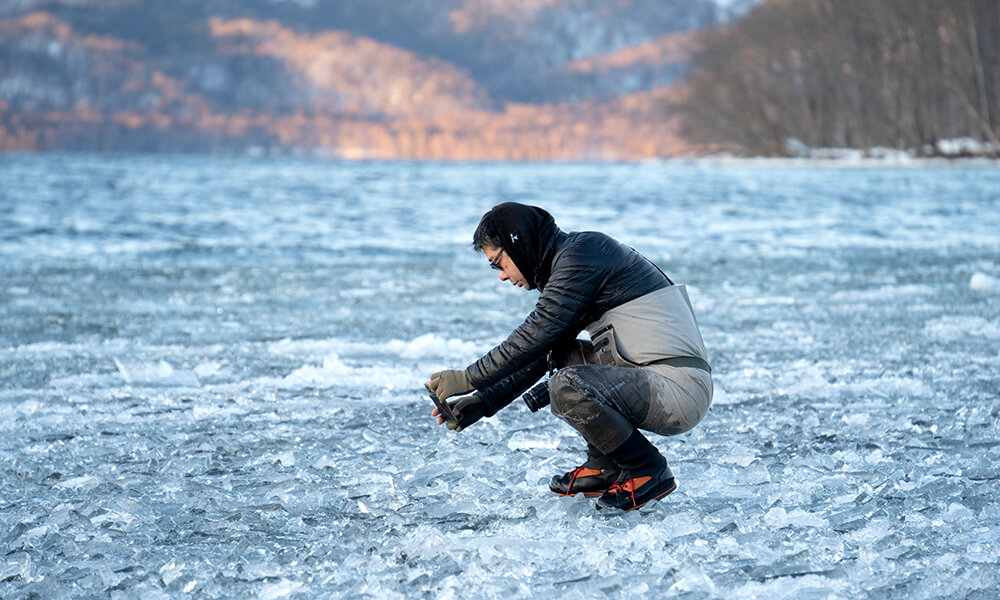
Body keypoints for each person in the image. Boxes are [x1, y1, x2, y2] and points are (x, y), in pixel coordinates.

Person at [427, 202, 712, 512]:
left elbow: (538, 331)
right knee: (563, 355)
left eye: (499, 263)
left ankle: (648, 469)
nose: (501, 277)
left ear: (517, 243)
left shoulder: (582, 255)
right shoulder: (572, 260)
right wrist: (484, 401)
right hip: (656, 380)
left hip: (677, 389)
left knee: (567, 386)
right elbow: (545, 348)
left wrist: (468, 377)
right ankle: (604, 466)